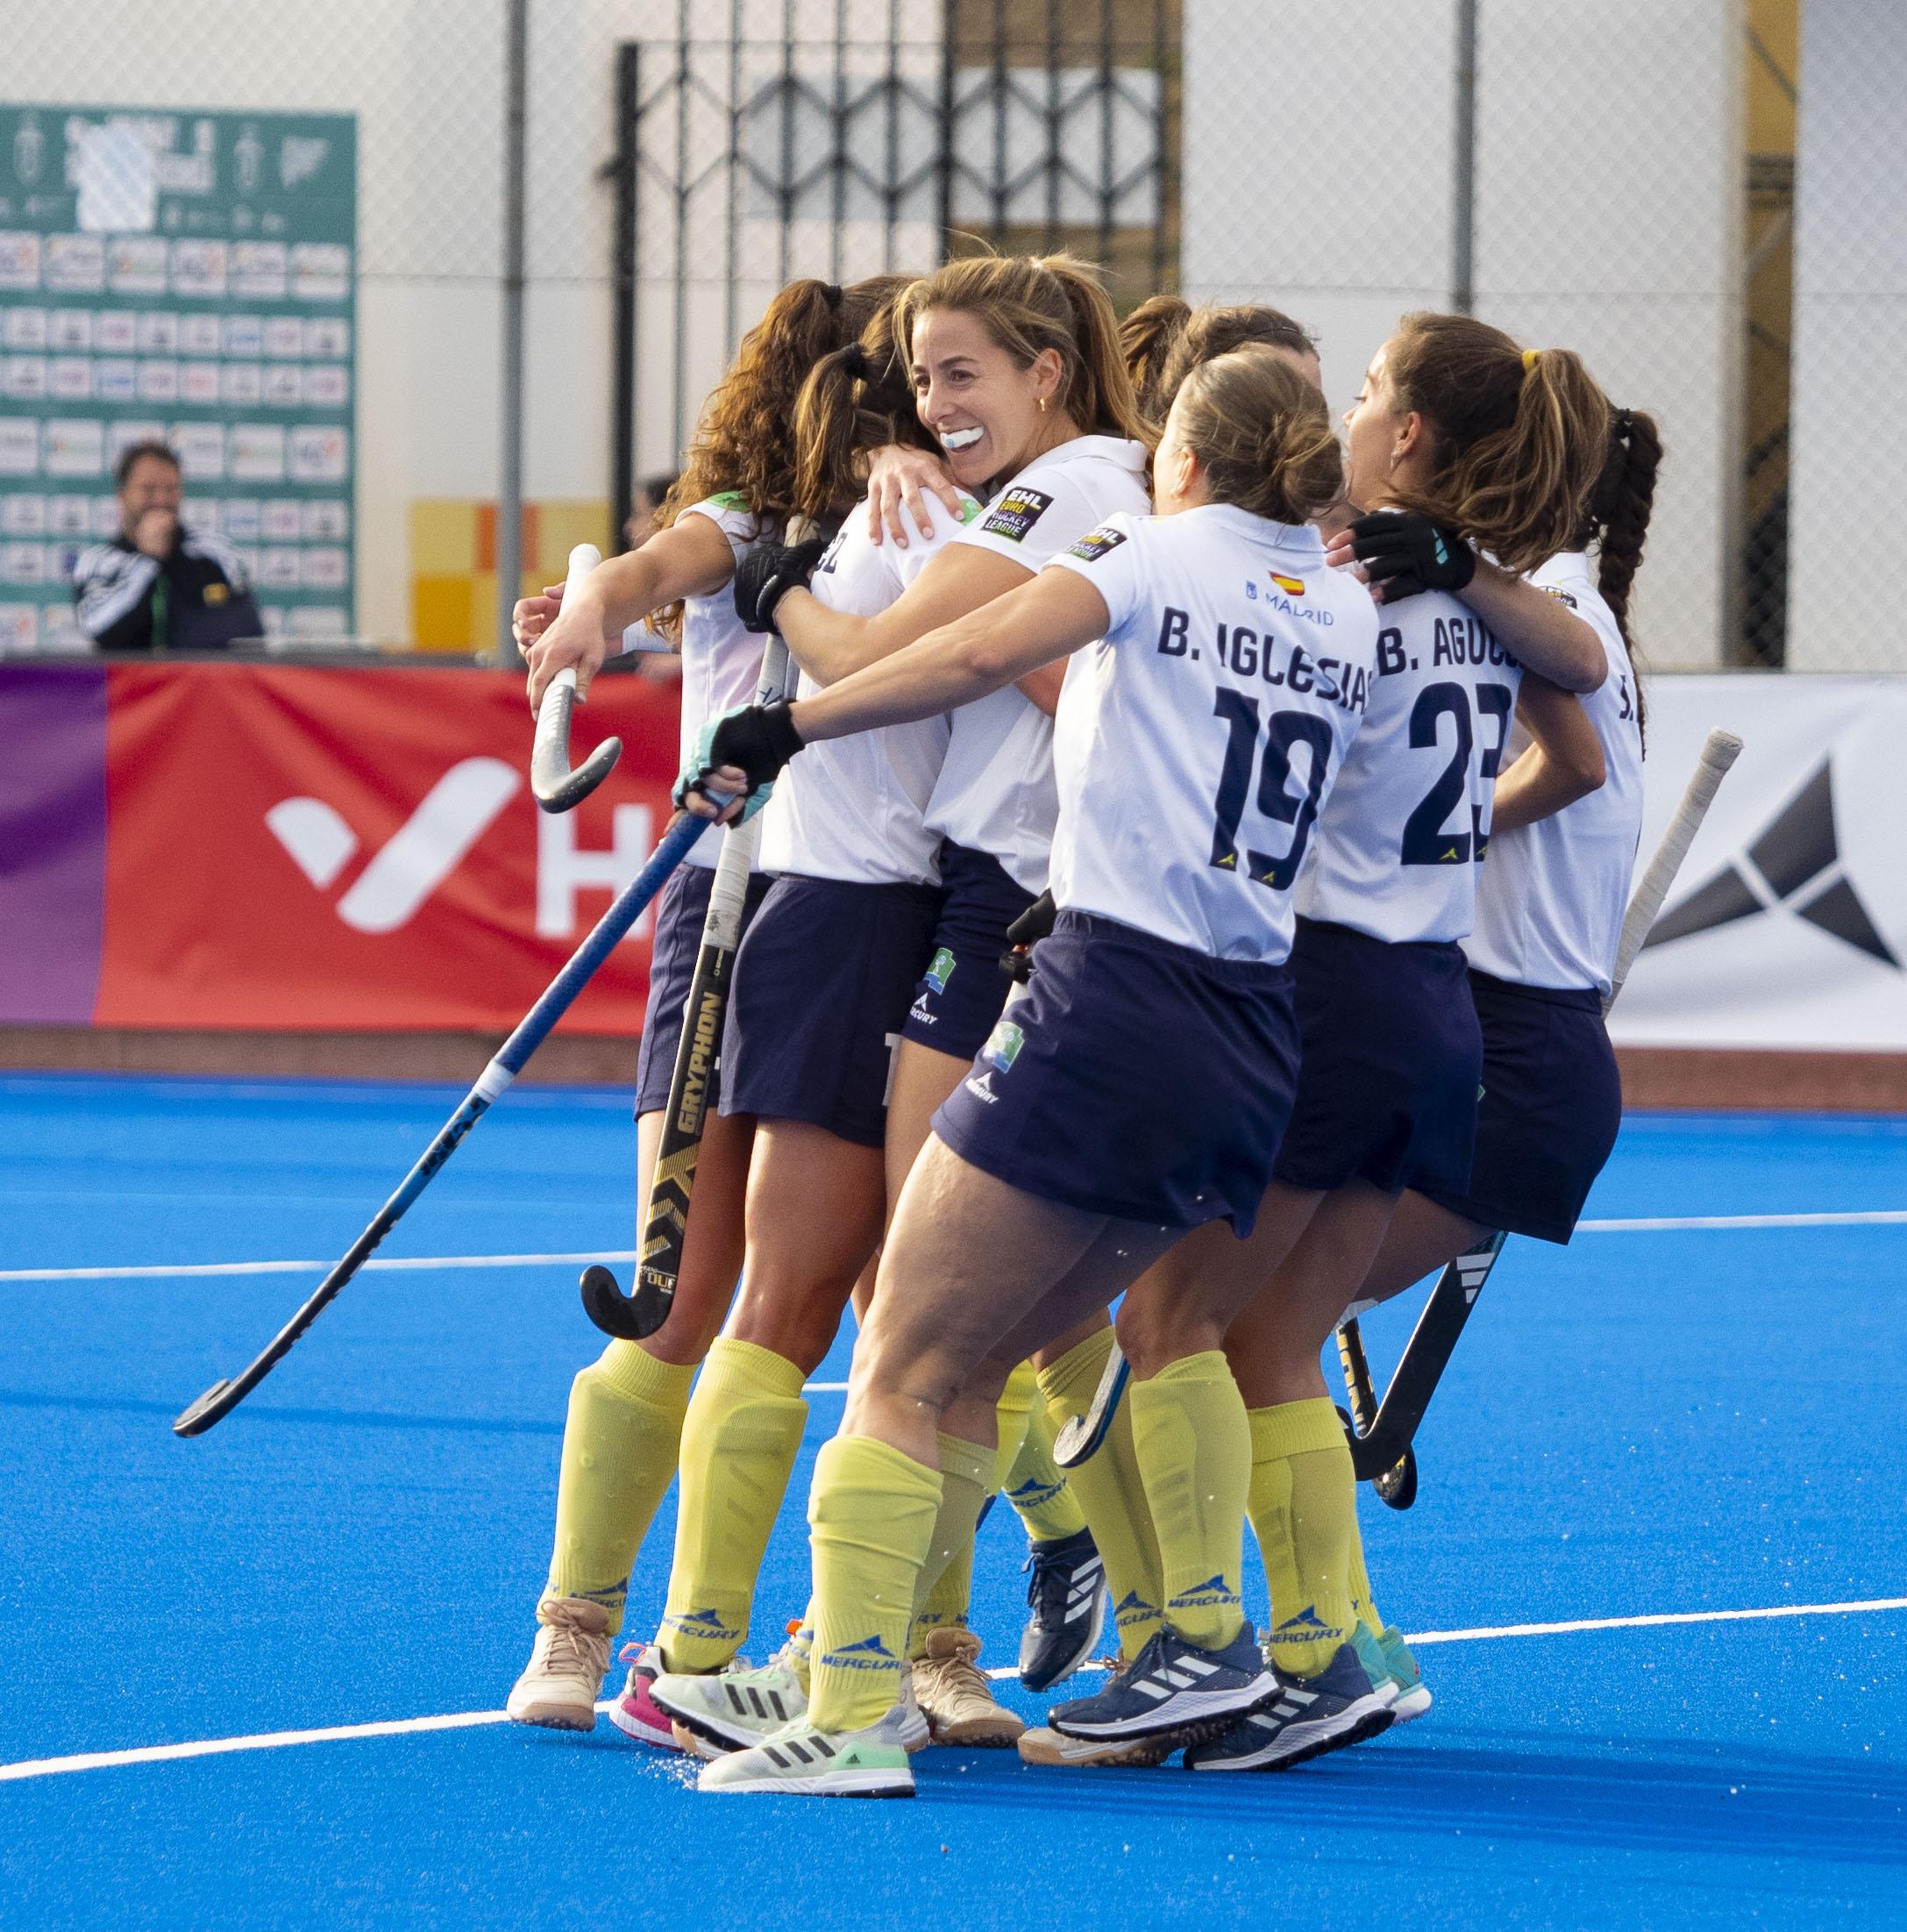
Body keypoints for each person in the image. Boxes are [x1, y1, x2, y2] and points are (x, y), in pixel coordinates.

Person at [672, 344, 1377, 1798]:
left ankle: (854, 1708)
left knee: (903, 1356)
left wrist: (786, 719)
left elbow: (979, 647)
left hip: (1114, 1003)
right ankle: (907, 1664)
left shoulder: (1157, 547)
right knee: (986, 1363)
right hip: (1252, 1028)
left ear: (1182, 451)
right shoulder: (1346, 606)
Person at [646, 253, 1155, 1757]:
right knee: (977, 1323)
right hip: (1008, 897)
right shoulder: (1080, 486)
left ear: (1050, 371)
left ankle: (846, 1677)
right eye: (920, 379)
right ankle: (962, 1637)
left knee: (923, 1323)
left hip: (1021, 903)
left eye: (962, 376)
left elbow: (901, 659)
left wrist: (782, 611)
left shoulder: (1059, 496)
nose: (937, 405)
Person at [1156, 316, 1616, 1774]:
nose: (1349, 413)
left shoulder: (1365, 586)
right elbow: (1581, 711)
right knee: (1270, 1333)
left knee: (1175, 1326)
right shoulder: (1460, 587)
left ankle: (1202, 1645)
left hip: (1343, 993)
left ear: (1408, 433)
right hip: (1426, 1001)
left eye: (1364, 395)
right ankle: (1320, 1651)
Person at [502, 274, 905, 1738]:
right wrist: (594, 611)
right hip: (733, 911)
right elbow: (640, 569)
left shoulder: (917, 529)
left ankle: (890, 1637)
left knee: (876, 1299)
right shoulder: (747, 527)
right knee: (680, 1288)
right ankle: (578, 1623)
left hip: (860, 916)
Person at [1319, 401, 1663, 1707]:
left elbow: (1563, 750)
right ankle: (1322, 1634)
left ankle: (1326, 1642)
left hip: (1514, 1048)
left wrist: (1439, 834)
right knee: (1256, 1319)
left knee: (1242, 1322)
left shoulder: (1539, 605)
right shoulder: (1551, 604)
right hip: (1483, 1028)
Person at [72, 442, 262, 652]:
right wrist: (149, 561)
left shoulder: (216, 553)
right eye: (149, 489)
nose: (161, 499)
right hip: (129, 685)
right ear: (122, 495)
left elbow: (248, 631)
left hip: (198, 684)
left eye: (171, 489)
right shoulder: (98, 562)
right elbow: (99, 630)